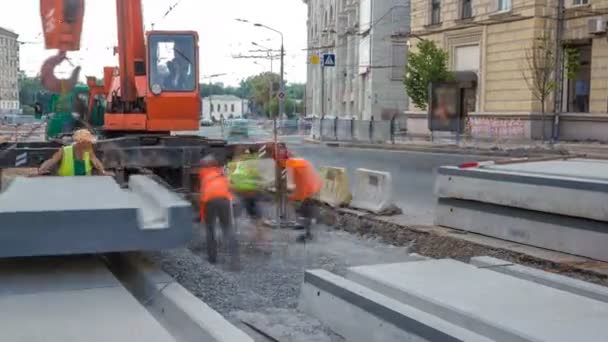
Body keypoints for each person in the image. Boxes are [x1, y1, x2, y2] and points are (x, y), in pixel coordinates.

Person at [199, 155, 239, 267]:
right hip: (224, 200)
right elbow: (230, 187)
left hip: (209, 201)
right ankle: (235, 261)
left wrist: (202, 216)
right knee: (227, 229)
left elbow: (203, 195)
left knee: (210, 229)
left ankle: (212, 258)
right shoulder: (221, 173)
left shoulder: (203, 174)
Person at [228, 147, 266, 239]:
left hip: (242, 192)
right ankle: (259, 232)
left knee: (239, 213)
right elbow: (259, 176)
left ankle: (257, 233)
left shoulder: (235, 163)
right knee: (255, 213)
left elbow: (233, 178)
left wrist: (232, 188)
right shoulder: (253, 162)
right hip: (251, 191)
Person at [38, 128, 110, 176]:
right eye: (87, 142)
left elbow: (96, 162)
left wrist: (103, 172)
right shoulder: (64, 150)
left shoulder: (88, 151)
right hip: (66, 183)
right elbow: (52, 160)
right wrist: (42, 169)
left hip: (85, 184)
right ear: (80, 142)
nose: (90, 144)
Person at [285, 157, 322, 243]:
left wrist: (291, 193)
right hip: (313, 187)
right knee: (305, 209)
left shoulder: (291, 164)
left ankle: (308, 230)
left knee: (304, 209)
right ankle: (308, 227)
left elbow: (290, 184)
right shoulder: (301, 163)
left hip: (307, 190)